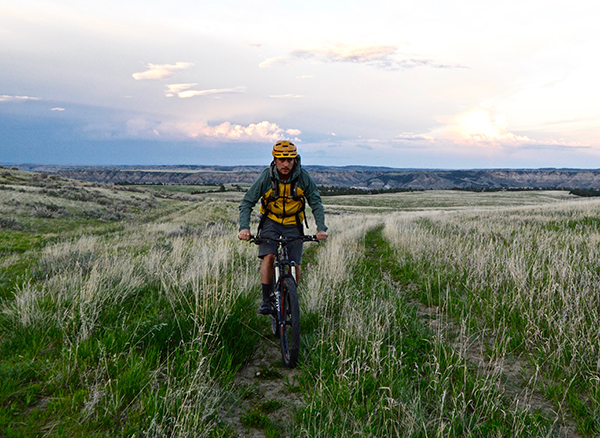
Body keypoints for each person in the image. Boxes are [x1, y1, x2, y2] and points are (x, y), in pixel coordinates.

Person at [238, 140, 328, 314]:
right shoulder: (267, 177)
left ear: (295, 160)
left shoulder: (303, 177)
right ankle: (266, 300)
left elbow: (316, 202)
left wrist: (321, 228)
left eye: (289, 160)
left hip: (293, 222)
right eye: (281, 160)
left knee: (295, 263)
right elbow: (247, 202)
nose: (285, 164)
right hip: (271, 221)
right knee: (269, 256)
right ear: (275, 159)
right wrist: (245, 228)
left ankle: (291, 296)